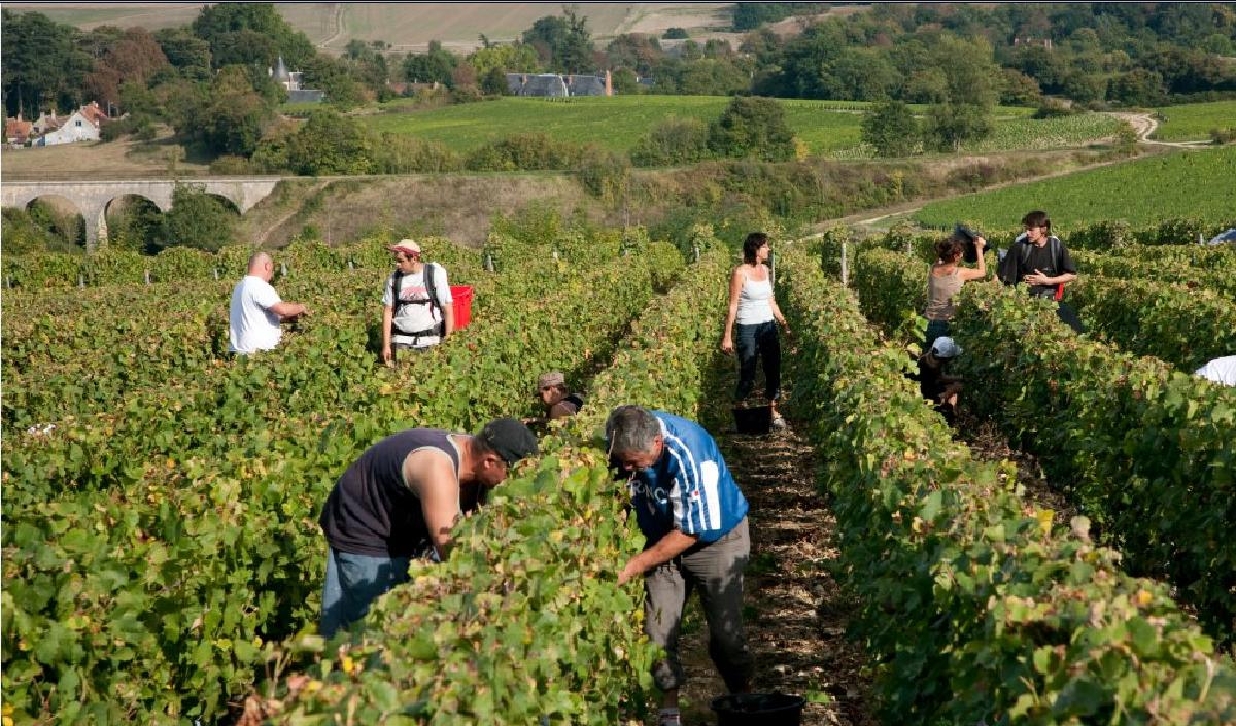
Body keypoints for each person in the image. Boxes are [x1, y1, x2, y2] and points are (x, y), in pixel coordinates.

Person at [317, 417, 539, 638]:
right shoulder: (437, 465)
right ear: (490, 461)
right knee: (370, 629)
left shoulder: (474, 459)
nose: (512, 483)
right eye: (512, 473)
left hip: (405, 525)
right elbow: (450, 547)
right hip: (364, 527)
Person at [605, 405, 753, 726]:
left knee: (728, 638)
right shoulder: (620, 442)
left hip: (716, 541)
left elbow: (690, 531)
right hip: (661, 538)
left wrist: (633, 565)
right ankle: (669, 713)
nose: (627, 468)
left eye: (633, 461)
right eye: (622, 461)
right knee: (657, 634)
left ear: (657, 443)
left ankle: (744, 702)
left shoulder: (689, 449)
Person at [720, 232, 791, 429]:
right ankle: (740, 410)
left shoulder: (765, 270)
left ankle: (773, 411)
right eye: (765, 247)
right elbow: (733, 305)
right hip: (747, 327)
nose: (768, 249)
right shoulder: (739, 273)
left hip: (768, 325)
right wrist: (727, 336)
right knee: (748, 373)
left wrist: (783, 323)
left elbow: (770, 300)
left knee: (773, 369)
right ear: (756, 249)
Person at [996, 210, 1084, 333]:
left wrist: (1047, 280)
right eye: (1026, 229)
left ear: (1043, 229)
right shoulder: (1018, 248)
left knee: (1077, 330)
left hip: (1051, 300)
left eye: (1031, 229)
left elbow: (1071, 275)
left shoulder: (1056, 247)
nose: (1027, 233)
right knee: (1022, 334)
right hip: (1025, 302)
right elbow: (1002, 277)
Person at [381, 239, 454, 364]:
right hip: (401, 342)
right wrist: (386, 345)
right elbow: (388, 312)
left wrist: (447, 342)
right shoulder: (394, 279)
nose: (397, 265)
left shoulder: (434, 275)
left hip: (430, 342)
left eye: (401, 261)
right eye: (396, 261)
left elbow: (447, 309)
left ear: (413, 259)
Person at [228, 251, 309, 354]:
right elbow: (282, 310)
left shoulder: (240, 286)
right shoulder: (258, 286)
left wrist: (291, 318)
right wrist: (302, 307)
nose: (271, 277)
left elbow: (257, 316)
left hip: (239, 351)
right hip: (256, 353)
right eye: (272, 270)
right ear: (267, 266)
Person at [923, 233, 987, 349]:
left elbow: (941, 258)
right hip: (946, 325)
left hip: (928, 323)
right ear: (956, 256)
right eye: (960, 253)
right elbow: (982, 272)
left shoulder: (933, 268)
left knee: (929, 359)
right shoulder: (959, 273)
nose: (962, 255)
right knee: (945, 361)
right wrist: (979, 249)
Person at [909, 336, 964, 426]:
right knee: (954, 391)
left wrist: (959, 378)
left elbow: (939, 377)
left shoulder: (927, 360)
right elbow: (929, 394)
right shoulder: (925, 370)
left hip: (924, 392)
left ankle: (952, 413)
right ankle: (950, 419)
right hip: (923, 398)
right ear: (945, 358)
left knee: (954, 387)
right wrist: (951, 390)